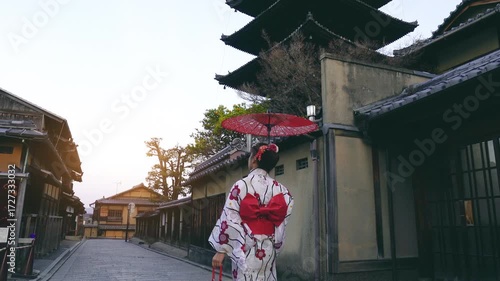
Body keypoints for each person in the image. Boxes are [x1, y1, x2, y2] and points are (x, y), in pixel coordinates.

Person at [209, 142, 294, 281]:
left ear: (254, 159)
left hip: (245, 247)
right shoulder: (282, 191)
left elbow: (230, 218)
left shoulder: (241, 185)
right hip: (268, 249)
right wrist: (276, 246)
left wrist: (222, 250)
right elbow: (282, 221)